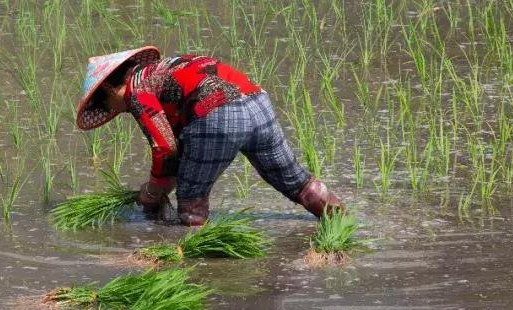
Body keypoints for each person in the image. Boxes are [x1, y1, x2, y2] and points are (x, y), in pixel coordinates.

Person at [75, 46, 344, 226]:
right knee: (297, 182)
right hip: (257, 103)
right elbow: (181, 144)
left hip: (218, 114)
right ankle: (342, 222)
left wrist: (152, 192)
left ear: (109, 89)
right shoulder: (168, 66)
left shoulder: (137, 91)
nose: (116, 111)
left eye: (108, 106)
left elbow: (165, 148)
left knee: (190, 199)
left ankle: (200, 262)